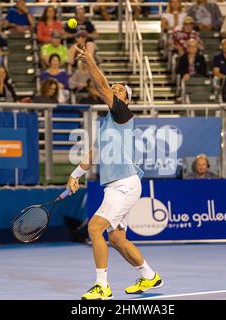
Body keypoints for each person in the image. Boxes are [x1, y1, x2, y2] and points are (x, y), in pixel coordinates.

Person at [70, 45, 163, 300]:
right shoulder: (107, 124)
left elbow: (99, 86)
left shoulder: (123, 113)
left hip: (124, 184)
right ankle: (149, 276)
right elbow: (93, 153)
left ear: (126, 99)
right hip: (116, 185)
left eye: (119, 89)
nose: (114, 89)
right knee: (118, 239)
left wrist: (90, 60)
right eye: (114, 87)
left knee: (94, 228)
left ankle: (102, 286)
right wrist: (75, 175)